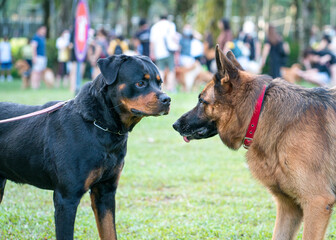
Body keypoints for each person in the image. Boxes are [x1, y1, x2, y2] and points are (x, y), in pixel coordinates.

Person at [150, 15, 179, 91]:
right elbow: (174, 37)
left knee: (161, 70)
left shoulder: (155, 27)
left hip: (159, 52)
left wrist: (152, 52)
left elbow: (152, 42)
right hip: (169, 51)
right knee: (171, 70)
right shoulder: (171, 25)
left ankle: (161, 87)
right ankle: (170, 87)